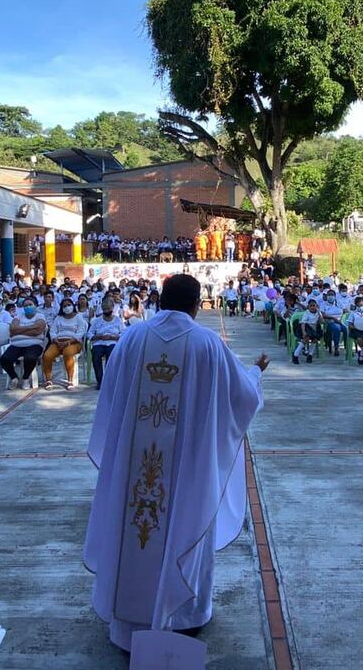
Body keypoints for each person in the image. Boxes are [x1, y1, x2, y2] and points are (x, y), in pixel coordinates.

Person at [83, 274, 267, 651]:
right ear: (197, 304)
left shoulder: (133, 337)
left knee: (131, 530)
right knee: (185, 526)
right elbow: (241, 397)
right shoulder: (207, 343)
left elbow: (111, 398)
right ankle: (181, 619)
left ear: (160, 300)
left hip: (134, 467)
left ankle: (128, 624)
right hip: (186, 470)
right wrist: (257, 372)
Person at [1, 300, 47, 390]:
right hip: (16, 344)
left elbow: (38, 331)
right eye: (25, 305)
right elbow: (12, 329)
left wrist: (19, 330)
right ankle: (14, 377)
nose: (28, 307)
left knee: (30, 358)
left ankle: (26, 378)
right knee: (4, 359)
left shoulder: (40, 316)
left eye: (30, 304)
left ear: (35, 305)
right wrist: (31, 328)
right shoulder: (18, 317)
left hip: (34, 344)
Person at [43, 299, 87, 389]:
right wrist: (56, 340)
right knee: (47, 356)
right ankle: (48, 380)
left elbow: (80, 332)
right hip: (58, 342)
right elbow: (53, 331)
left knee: (68, 353)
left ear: (73, 305)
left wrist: (69, 342)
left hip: (74, 342)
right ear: (61, 308)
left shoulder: (79, 317)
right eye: (64, 306)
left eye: (69, 305)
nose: (67, 307)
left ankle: (70, 380)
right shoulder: (58, 318)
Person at [87, 299, 123, 389]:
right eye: (104, 308)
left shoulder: (118, 320)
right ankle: (100, 381)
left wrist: (113, 337)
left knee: (111, 355)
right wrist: (99, 337)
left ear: (112, 308)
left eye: (108, 308)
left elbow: (124, 333)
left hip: (112, 342)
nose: (106, 310)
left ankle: (110, 381)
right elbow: (89, 334)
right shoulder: (96, 321)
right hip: (99, 342)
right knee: (96, 355)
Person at [292, 299, 322, 364]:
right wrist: (304, 332)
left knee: (315, 339)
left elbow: (321, 321)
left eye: (314, 305)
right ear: (308, 306)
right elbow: (303, 323)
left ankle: (310, 355)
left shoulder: (318, 313)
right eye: (311, 306)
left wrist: (319, 313)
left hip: (314, 328)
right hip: (306, 327)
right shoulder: (306, 313)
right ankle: (295, 355)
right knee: (306, 339)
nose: (312, 307)